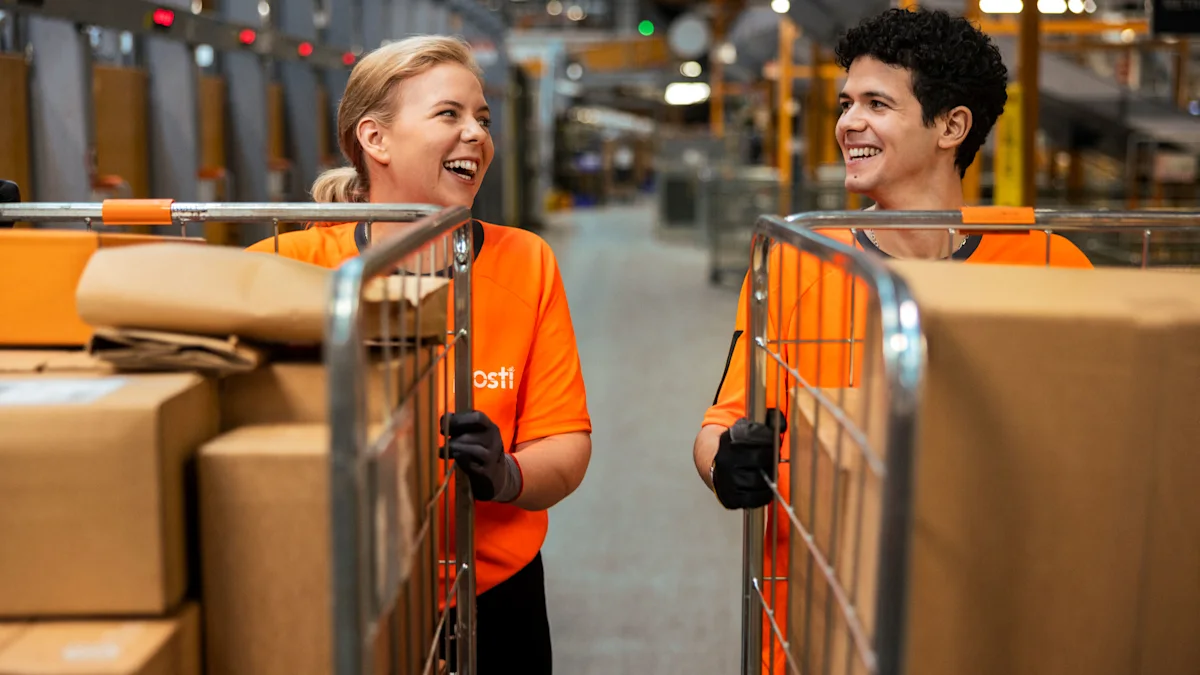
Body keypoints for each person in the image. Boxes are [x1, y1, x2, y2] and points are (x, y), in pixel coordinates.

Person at [691, 8, 1093, 670]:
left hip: (994, 616)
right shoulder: (796, 264)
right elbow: (719, 427)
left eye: (877, 103)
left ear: (952, 127)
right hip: (823, 621)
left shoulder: (1048, 265)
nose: (848, 123)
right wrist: (727, 464)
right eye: (847, 103)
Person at [246, 35, 591, 673]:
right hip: (333, 591)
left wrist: (505, 473)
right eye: (449, 115)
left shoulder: (525, 261)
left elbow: (565, 443)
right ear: (375, 139)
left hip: (491, 595)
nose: (476, 135)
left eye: (482, 119)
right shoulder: (288, 265)